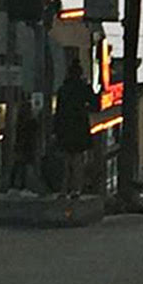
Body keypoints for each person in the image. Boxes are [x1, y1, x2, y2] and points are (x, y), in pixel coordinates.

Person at [53, 55, 98, 197]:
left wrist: (56, 130)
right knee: (77, 160)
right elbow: (96, 106)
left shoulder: (63, 90)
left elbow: (58, 112)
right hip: (79, 127)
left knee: (66, 161)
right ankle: (76, 189)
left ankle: (63, 189)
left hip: (65, 128)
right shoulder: (83, 88)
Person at [8, 103, 39, 190]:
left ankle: (14, 185)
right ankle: (24, 186)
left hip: (22, 146)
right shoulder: (31, 123)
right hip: (28, 147)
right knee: (26, 166)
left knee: (18, 166)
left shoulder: (20, 122)